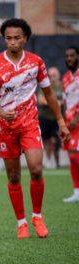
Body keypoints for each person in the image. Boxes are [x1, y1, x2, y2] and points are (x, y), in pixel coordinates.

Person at [0, 18, 70, 239]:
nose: (12, 42)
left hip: (30, 124)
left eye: (17, 38)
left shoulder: (36, 62)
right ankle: (21, 222)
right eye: (8, 38)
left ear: (25, 39)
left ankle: (37, 217)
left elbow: (49, 94)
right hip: (6, 127)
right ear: (5, 39)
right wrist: (2, 112)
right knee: (14, 176)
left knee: (36, 169)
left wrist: (61, 121)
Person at [62, 46, 79, 203]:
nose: (69, 58)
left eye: (72, 55)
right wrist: (63, 123)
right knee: (72, 157)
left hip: (78, 122)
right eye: (67, 56)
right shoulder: (66, 78)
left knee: (75, 155)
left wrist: (77, 118)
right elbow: (66, 102)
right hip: (69, 123)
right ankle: (76, 192)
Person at [38, 67, 63, 168]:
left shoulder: (63, 86)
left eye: (54, 75)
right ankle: (48, 160)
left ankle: (56, 161)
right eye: (50, 75)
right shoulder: (44, 86)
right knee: (46, 140)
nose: (52, 78)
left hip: (57, 118)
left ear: (58, 76)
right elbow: (41, 100)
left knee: (56, 140)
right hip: (45, 117)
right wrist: (55, 103)